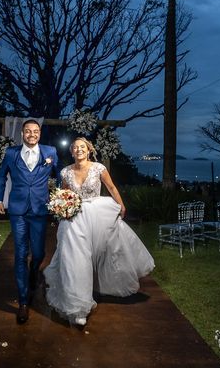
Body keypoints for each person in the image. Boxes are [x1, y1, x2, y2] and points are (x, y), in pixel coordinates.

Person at [43, 137, 155, 327]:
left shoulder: (99, 168)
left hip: (96, 215)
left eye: (82, 147)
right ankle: (78, 306)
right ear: (71, 152)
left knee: (102, 253)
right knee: (76, 259)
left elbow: (111, 187)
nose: (79, 150)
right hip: (73, 219)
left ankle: (97, 287)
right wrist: (61, 208)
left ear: (89, 150)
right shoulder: (65, 172)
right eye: (76, 148)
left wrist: (121, 205)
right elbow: (64, 195)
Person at [0, 119, 60, 324]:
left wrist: (59, 198)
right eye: (28, 131)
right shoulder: (11, 153)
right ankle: (23, 303)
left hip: (40, 209)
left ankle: (34, 273)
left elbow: (59, 176)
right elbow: (0, 177)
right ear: (22, 134)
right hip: (18, 210)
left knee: (39, 253)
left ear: (40, 133)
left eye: (36, 131)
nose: (32, 134)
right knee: (21, 253)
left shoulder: (50, 152)